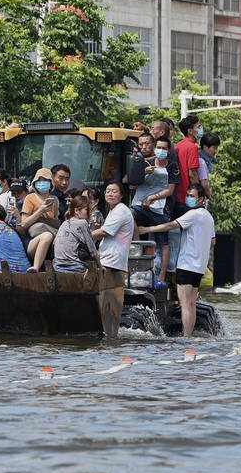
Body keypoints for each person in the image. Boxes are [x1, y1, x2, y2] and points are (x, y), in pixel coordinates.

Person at [138, 184, 215, 337]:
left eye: (192, 196)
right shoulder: (209, 217)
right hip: (199, 267)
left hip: (187, 265)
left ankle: (186, 337)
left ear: (201, 199)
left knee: (185, 304)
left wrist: (147, 229)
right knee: (191, 304)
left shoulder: (193, 215)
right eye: (188, 195)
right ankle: (189, 335)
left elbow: (170, 225)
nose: (188, 198)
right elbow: (213, 242)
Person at [91, 181, 135, 336]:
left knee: (108, 307)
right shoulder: (113, 210)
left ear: (122, 195)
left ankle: (110, 340)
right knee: (107, 307)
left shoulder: (120, 211)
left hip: (112, 263)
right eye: (108, 191)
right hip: (110, 261)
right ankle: (109, 338)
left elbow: (105, 232)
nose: (110, 194)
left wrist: (82, 236)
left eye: (114, 191)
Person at [129, 133, 174, 283]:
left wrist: (151, 198)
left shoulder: (172, 166)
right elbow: (129, 183)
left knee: (164, 243)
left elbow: (170, 190)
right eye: (158, 148)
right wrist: (142, 173)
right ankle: (137, 248)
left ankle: (161, 276)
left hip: (159, 209)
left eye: (163, 148)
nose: (160, 150)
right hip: (140, 206)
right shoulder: (143, 162)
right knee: (130, 214)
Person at [20, 168, 59, 271]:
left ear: (50, 183)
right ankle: (35, 267)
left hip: (52, 243)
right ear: (35, 182)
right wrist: (40, 210)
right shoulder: (30, 198)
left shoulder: (55, 200)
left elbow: (55, 222)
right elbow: (24, 224)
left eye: (45, 180)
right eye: (39, 180)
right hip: (32, 241)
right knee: (47, 235)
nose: (42, 183)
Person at [53, 189, 100, 273]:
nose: (89, 213)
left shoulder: (64, 223)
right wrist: (100, 266)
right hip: (75, 267)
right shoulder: (82, 223)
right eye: (87, 210)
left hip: (57, 266)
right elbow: (92, 250)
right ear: (77, 211)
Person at [174, 115, 202, 210]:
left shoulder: (178, 146)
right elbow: (192, 174)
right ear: (190, 131)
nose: (201, 129)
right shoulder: (192, 147)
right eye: (198, 127)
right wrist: (199, 194)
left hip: (176, 196)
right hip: (187, 198)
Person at [198, 133, 220, 200]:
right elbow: (204, 184)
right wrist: (209, 196)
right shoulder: (201, 162)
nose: (216, 151)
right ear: (205, 147)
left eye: (217, 148)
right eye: (214, 148)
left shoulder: (206, 161)